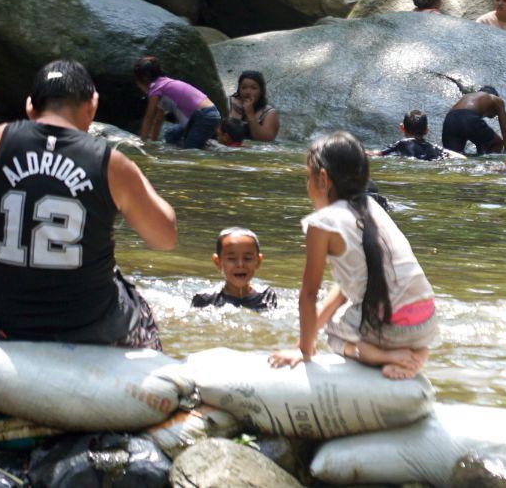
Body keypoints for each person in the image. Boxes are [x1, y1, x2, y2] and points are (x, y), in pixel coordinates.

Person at [0, 60, 175, 348]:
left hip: (4, 317)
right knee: (139, 307)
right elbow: (165, 237)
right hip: (86, 325)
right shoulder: (109, 162)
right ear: (92, 106)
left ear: (30, 107)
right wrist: (130, 173)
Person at [269, 131, 436, 379]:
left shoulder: (322, 223)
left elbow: (308, 293)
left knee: (332, 333)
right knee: (352, 309)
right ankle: (416, 353)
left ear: (322, 179)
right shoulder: (374, 208)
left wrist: (304, 350)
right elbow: (343, 290)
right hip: (426, 320)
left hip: (389, 329)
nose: (307, 186)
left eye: (307, 177)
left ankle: (386, 356)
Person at [135, 57, 221, 150]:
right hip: (205, 114)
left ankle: (202, 146)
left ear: (144, 79)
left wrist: (142, 143)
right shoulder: (164, 84)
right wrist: (153, 144)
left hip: (203, 116)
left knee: (190, 150)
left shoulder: (155, 89)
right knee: (171, 135)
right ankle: (201, 143)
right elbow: (158, 119)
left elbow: (149, 117)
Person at [192, 227, 277, 310]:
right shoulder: (205, 299)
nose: (240, 264)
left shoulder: (266, 296)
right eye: (231, 258)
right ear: (217, 262)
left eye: (247, 258)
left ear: (258, 261)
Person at [441, 88, 506, 155]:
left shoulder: (468, 97)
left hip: (449, 119)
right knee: (497, 143)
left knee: (454, 155)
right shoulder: (496, 99)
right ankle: (491, 166)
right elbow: (505, 132)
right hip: (467, 117)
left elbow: (477, 137)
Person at [227, 71, 280, 142]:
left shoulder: (269, 113)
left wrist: (250, 114)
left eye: (253, 88)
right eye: (243, 87)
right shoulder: (229, 102)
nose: (248, 92)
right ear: (239, 89)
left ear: (261, 91)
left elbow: (266, 140)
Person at [375, 110, 449, 161]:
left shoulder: (401, 144)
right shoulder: (434, 148)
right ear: (426, 130)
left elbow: (378, 154)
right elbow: (454, 155)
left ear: (402, 128)